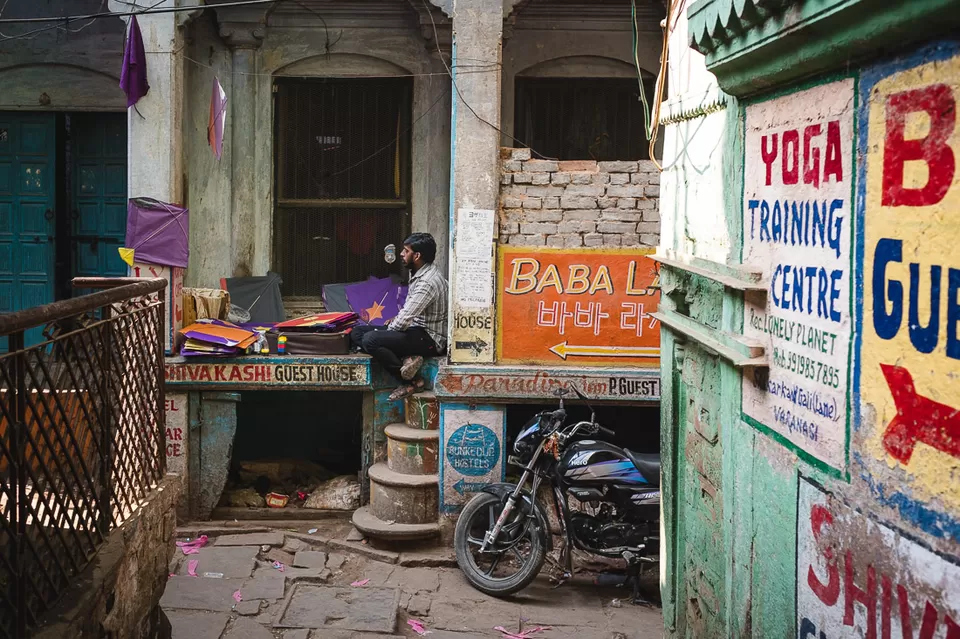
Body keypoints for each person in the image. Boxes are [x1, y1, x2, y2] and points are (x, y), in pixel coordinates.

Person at [351, 232, 448, 400]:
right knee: (357, 332)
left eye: (406, 251)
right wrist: (388, 330)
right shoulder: (421, 273)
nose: (401, 254)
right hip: (415, 330)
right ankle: (407, 358)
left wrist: (387, 332)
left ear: (417, 256)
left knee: (370, 339)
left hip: (429, 339)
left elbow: (404, 320)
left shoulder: (427, 282)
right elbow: (409, 313)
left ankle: (411, 381)